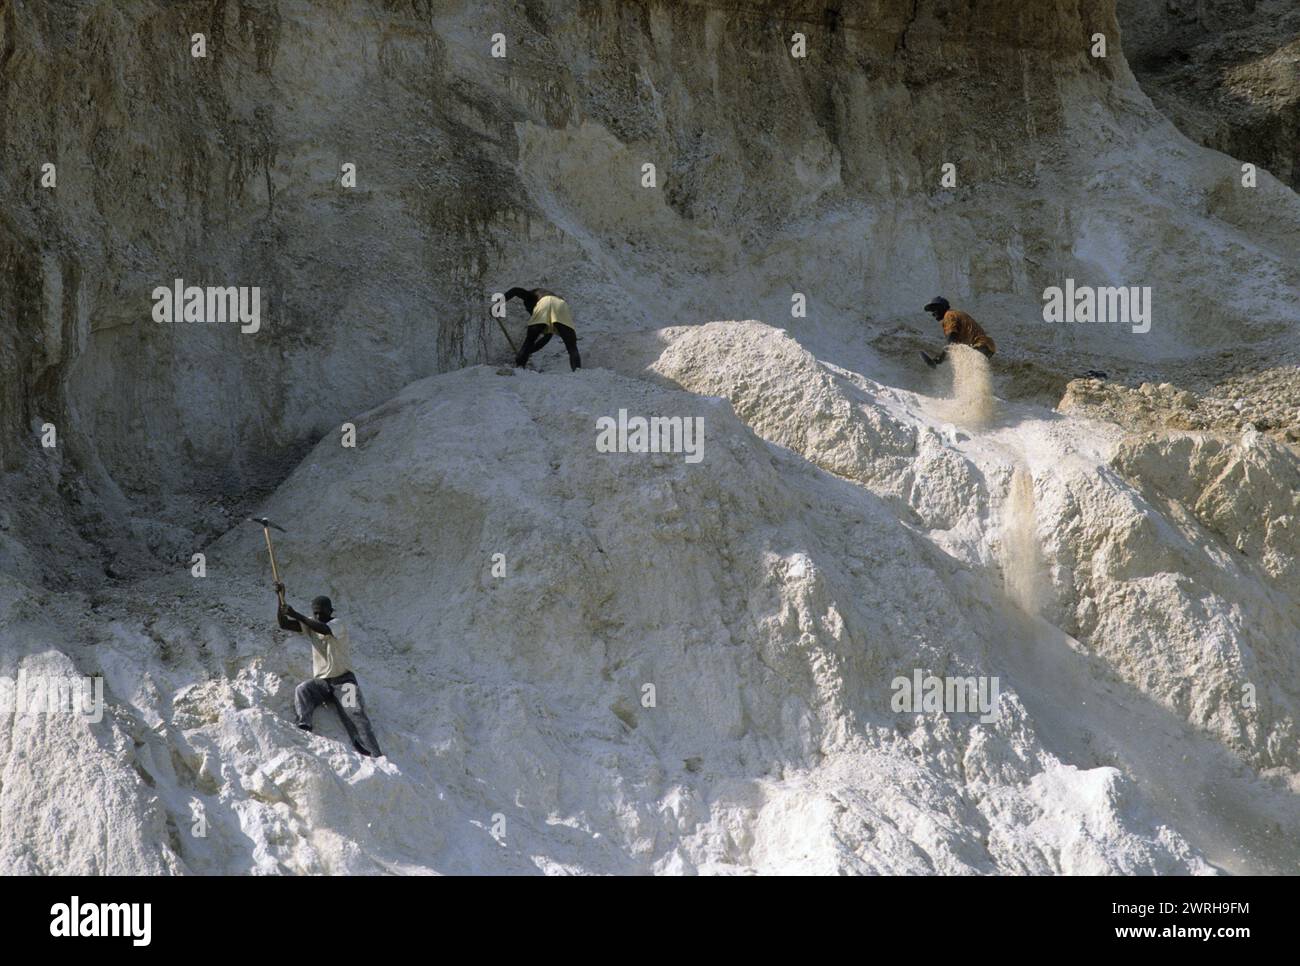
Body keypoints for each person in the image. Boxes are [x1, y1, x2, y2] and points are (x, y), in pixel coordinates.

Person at [275, 585, 383, 758]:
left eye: (321, 612)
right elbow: (284, 624)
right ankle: (304, 725)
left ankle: (374, 753)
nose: (318, 616)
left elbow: (323, 629)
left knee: (355, 712)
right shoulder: (311, 624)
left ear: (330, 611)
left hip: (344, 681)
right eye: (315, 613)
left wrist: (297, 614)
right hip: (323, 682)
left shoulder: (337, 624)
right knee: (303, 690)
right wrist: (280, 598)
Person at [506, 286, 581, 371]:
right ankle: (577, 370)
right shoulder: (549, 296)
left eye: (530, 310)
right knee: (572, 347)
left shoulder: (532, 295)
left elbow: (515, 290)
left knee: (529, 340)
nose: (531, 312)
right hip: (561, 305)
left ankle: (519, 368)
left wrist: (498, 304)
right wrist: (528, 352)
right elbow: (544, 340)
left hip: (544, 302)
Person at [919, 296, 996, 368]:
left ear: (942, 307)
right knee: (971, 369)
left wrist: (940, 358)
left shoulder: (949, 315)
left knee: (968, 369)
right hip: (988, 347)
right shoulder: (957, 314)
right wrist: (943, 358)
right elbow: (955, 345)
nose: (933, 314)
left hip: (980, 345)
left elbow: (951, 342)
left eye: (934, 309)